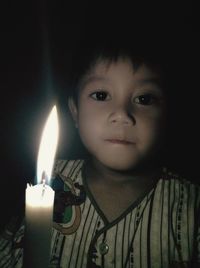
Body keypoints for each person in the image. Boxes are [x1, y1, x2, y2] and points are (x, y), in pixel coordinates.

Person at [0, 36, 199, 268]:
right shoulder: (46, 185)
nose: (122, 114)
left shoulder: (191, 208)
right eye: (102, 95)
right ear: (75, 111)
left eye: (144, 99)